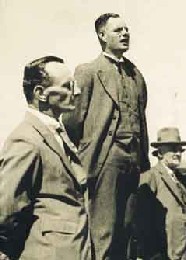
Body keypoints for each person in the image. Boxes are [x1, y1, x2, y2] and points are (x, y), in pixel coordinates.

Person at [63, 13, 150, 259]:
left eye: (126, 29)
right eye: (117, 30)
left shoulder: (136, 75)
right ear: (102, 36)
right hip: (104, 161)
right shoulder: (89, 71)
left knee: (126, 230)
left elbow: (141, 119)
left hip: (132, 163)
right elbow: (72, 121)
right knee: (104, 232)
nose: (125, 34)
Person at [0, 56, 90, 259]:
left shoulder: (57, 134)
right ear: (40, 93)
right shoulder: (26, 139)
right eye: (67, 86)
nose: (76, 92)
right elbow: (6, 209)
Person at [136, 127, 186, 259]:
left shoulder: (181, 180)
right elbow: (143, 221)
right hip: (164, 253)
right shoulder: (150, 177)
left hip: (183, 252)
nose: (178, 154)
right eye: (173, 149)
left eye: (180, 150)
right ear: (160, 153)